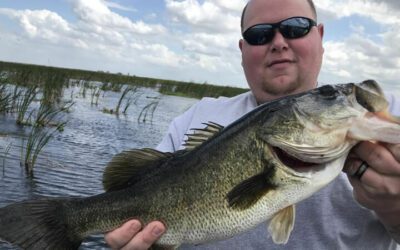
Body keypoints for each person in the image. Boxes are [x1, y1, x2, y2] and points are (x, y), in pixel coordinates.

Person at [105, 0, 400, 249]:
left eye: (296, 27)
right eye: (260, 35)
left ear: (320, 36)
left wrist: (394, 209)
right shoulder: (196, 118)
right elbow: (134, 189)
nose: (279, 43)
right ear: (243, 49)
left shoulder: (387, 118)